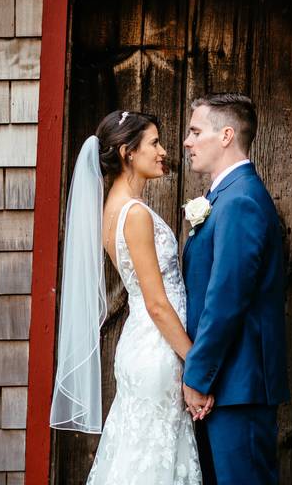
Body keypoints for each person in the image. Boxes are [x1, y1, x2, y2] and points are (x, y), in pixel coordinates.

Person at [50, 110, 204, 485]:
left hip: (144, 345)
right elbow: (156, 302)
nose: (163, 151)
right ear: (127, 153)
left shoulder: (113, 211)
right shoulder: (133, 214)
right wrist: (197, 363)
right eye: (153, 143)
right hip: (157, 350)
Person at [181, 94, 290, 485]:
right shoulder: (223, 197)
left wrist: (197, 376)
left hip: (238, 386)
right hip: (226, 385)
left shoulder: (240, 199)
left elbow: (226, 300)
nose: (187, 142)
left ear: (226, 135)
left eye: (195, 131)